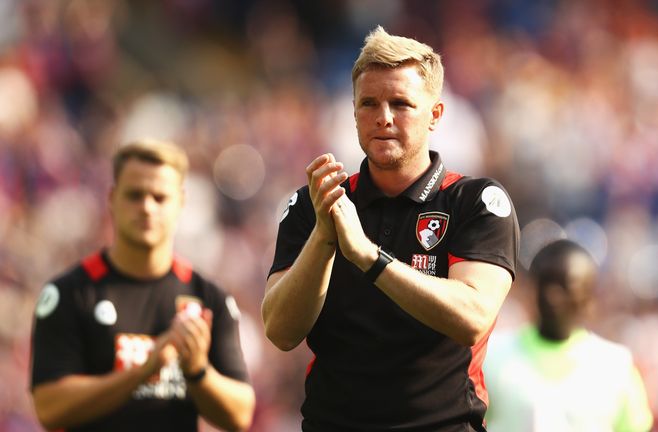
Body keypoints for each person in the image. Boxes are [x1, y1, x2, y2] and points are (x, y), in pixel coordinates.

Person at [262, 26, 519, 431]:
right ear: (354, 111)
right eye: (369, 103)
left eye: (401, 103)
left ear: (434, 114)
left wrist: (369, 257)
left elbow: (472, 316)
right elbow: (280, 330)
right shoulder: (315, 203)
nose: (383, 117)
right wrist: (323, 238)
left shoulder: (475, 201)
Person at [30, 140, 255, 431]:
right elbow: (49, 407)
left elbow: (240, 415)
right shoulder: (68, 294)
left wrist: (198, 371)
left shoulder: (209, 298)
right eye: (135, 195)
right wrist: (145, 369)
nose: (147, 207)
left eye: (159, 197)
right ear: (112, 198)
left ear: (181, 203)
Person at [484, 239, 653, 431]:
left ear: (589, 297)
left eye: (567, 287)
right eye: (547, 284)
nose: (553, 298)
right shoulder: (492, 356)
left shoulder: (616, 366)